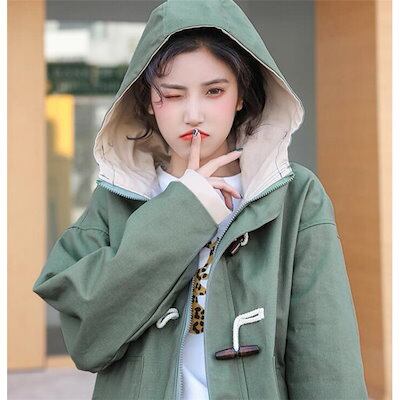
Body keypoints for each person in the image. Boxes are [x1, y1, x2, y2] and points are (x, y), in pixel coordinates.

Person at [32, 0, 369, 399]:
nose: (193, 114)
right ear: (148, 101)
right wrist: (184, 210)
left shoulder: (295, 197)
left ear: (240, 95)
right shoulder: (116, 200)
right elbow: (88, 342)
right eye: (173, 95)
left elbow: (327, 362)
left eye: (214, 91)